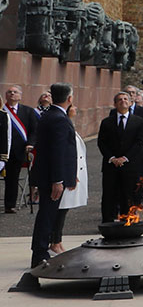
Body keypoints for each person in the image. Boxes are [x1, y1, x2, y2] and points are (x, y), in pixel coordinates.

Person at [28, 83, 78, 268]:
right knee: (47, 215)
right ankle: (39, 254)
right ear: (70, 99)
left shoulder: (50, 115)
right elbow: (58, 151)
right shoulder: (59, 118)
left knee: (47, 214)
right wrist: (58, 180)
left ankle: (41, 250)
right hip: (52, 177)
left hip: (48, 175)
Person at [98, 89, 143, 222]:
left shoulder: (138, 121)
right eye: (119, 100)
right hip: (111, 165)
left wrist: (125, 158)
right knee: (109, 194)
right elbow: (102, 142)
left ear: (131, 103)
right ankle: (107, 221)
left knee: (128, 194)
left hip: (130, 165)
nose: (123, 101)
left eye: (125, 99)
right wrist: (112, 158)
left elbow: (139, 142)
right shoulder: (107, 122)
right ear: (115, 104)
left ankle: (127, 221)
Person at [51, 102, 88, 254]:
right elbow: (64, 153)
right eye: (73, 106)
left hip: (73, 173)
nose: (76, 109)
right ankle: (54, 241)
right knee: (59, 210)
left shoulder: (68, 123)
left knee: (63, 210)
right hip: (66, 176)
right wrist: (69, 174)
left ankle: (57, 240)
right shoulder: (62, 123)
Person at [4, 85, 38, 213]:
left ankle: (10, 205)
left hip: (18, 150)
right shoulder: (2, 110)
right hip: (2, 150)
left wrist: (30, 144)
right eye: (9, 92)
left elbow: (34, 131)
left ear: (20, 96)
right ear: (6, 95)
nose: (12, 94)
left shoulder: (28, 111)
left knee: (12, 178)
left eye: (15, 92)